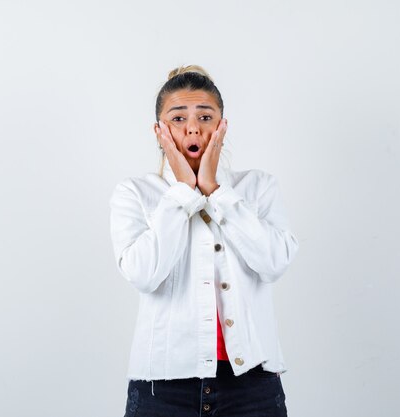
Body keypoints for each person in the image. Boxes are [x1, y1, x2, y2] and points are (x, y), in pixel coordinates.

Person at [109, 65, 300, 416]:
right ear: (159, 131)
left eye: (205, 116)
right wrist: (183, 192)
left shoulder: (257, 188)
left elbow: (275, 262)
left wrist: (216, 192)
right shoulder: (135, 193)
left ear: (221, 127)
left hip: (252, 387)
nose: (193, 127)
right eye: (178, 118)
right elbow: (143, 274)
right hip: (162, 389)